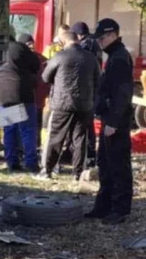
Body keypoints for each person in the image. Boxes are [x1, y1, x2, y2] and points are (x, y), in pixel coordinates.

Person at [88, 19, 135, 224]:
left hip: (116, 120)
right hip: (109, 117)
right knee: (105, 164)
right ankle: (104, 206)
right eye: (99, 38)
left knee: (118, 165)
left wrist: (114, 122)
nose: (100, 41)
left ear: (114, 35)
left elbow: (123, 93)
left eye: (103, 37)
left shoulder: (120, 58)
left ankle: (120, 209)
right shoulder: (114, 56)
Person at [39, 29, 101, 180]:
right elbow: (98, 79)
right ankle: (78, 173)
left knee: (55, 137)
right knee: (80, 139)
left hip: (62, 103)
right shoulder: (90, 57)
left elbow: (45, 77)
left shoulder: (60, 56)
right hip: (84, 104)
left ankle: (47, 171)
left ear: (63, 41)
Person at [0, 34, 41, 172]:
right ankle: (31, 163)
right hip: (20, 90)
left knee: (9, 129)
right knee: (28, 129)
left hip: (1, 90)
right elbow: (36, 65)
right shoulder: (19, 47)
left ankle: (11, 162)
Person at [71, 22, 103, 167]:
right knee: (88, 123)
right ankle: (90, 155)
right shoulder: (95, 44)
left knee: (82, 125)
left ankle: (85, 155)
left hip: (85, 89)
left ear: (78, 34)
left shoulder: (84, 46)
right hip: (93, 87)